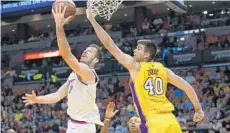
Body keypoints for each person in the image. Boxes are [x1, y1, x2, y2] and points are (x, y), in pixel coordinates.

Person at [86, 9, 204, 133]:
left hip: (152, 122)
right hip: (170, 120)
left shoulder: (136, 66)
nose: (134, 51)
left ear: (146, 55)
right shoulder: (164, 70)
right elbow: (187, 87)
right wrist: (198, 109)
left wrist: (93, 21)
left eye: (138, 49)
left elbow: (110, 45)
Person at [22, 5, 103, 133]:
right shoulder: (74, 74)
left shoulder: (89, 74)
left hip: (85, 128)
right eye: (86, 50)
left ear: (96, 60)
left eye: (90, 51)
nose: (85, 52)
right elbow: (57, 96)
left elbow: (67, 55)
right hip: (72, 124)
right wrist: (37, 99)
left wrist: (59, 28)